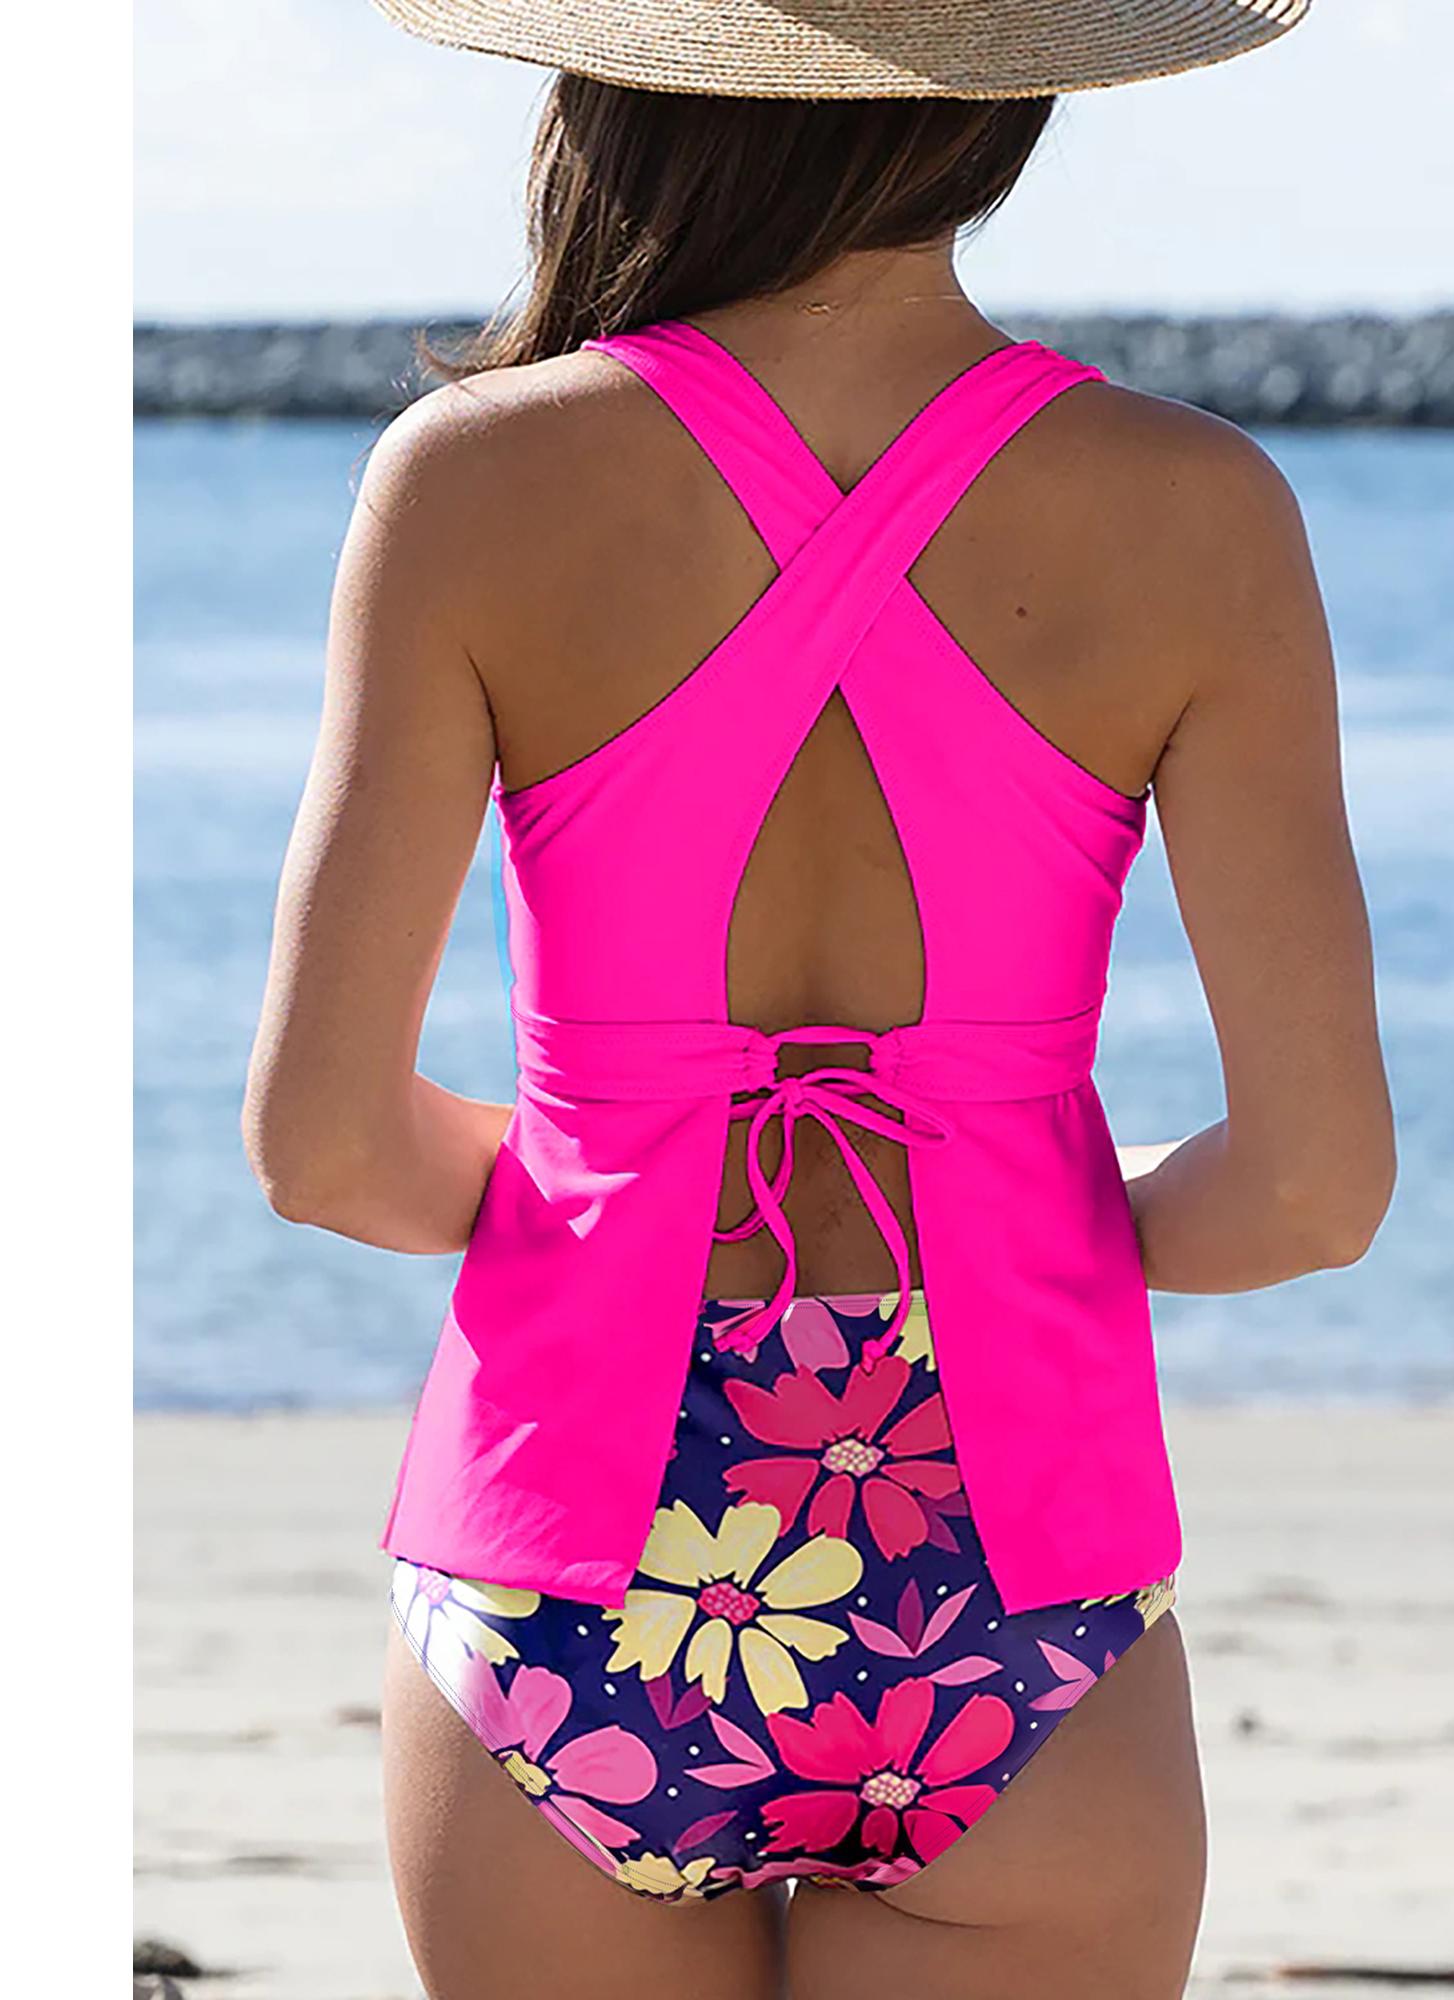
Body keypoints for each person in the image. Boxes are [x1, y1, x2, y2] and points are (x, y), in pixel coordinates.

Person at [244, 3, 1393, 1994]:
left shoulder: (470, 480)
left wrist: (608, 1167)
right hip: (1007, 1569)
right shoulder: (1196, 506)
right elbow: (1311, 1192)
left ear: (626, 88)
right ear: (1002, 92)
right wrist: (1033, 1205)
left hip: (568, 1558)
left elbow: (325, 1150)